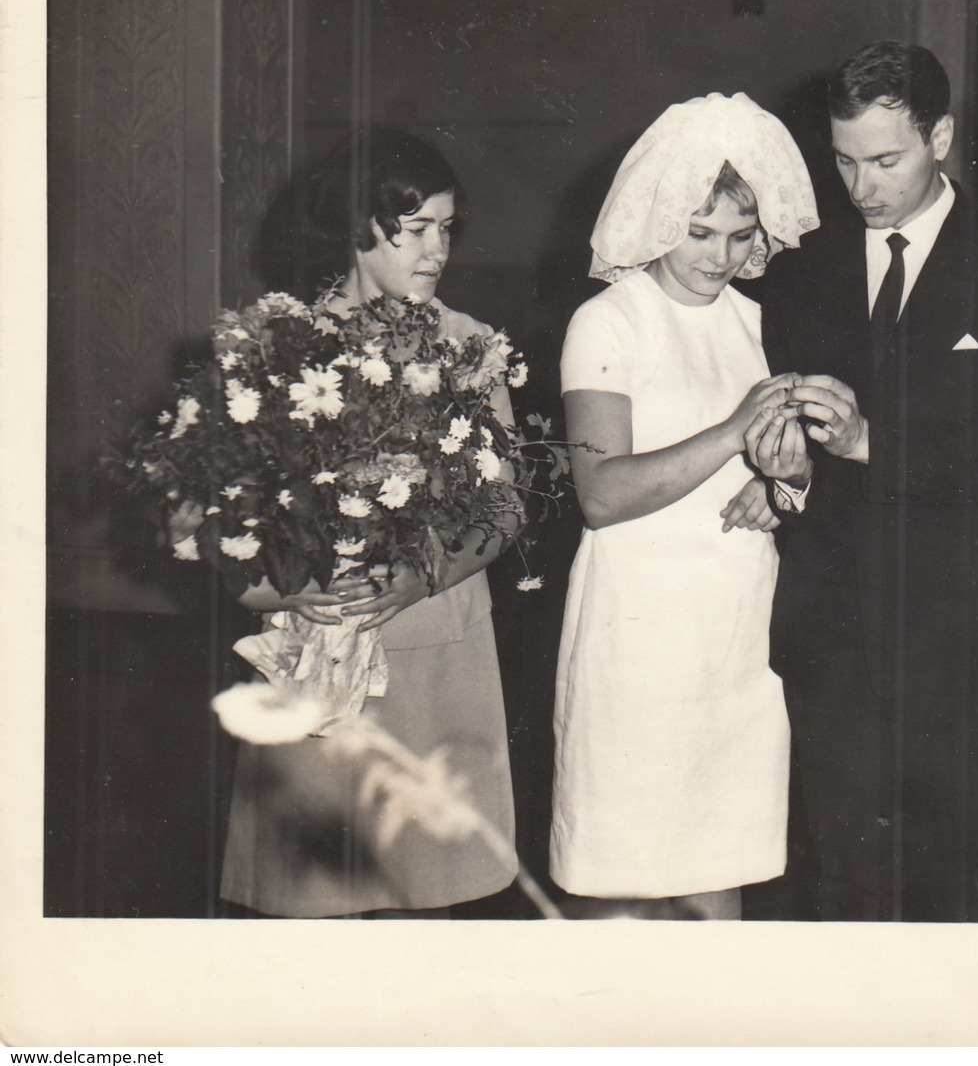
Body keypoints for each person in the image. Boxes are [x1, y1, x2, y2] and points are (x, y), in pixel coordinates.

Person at [750, 42, 978, 922]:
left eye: (886, 160)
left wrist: (868, 444)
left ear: (942, 136)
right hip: (833, 644)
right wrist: (785, 473)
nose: (862, 188)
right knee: (845, 888)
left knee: (968, 889)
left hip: (962, 645)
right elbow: (795, 465)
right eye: (844, 162)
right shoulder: (797, 270)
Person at [220, 127, 523, 918]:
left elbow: (506, 503)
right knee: (321, 904)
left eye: (446, 229)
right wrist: (282, 594)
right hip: (317, 652)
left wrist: (422, 572)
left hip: (441, 644)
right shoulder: (278, 345)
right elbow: (221, 518)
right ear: (357, 227)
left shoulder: (472, 346)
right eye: (415, 229)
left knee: (430, 900)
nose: (437, 251)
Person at [549, 92, 819, 920]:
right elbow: (601, 494)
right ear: (662, 215)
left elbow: (796, 464)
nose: (718, 256)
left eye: (740, 236)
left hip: (732, 634)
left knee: (718, 882)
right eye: (699, 233)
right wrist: (735, 432)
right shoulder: (607, 322)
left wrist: (783, 485)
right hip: (637, 637)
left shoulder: (761, 319)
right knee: (621, 885)